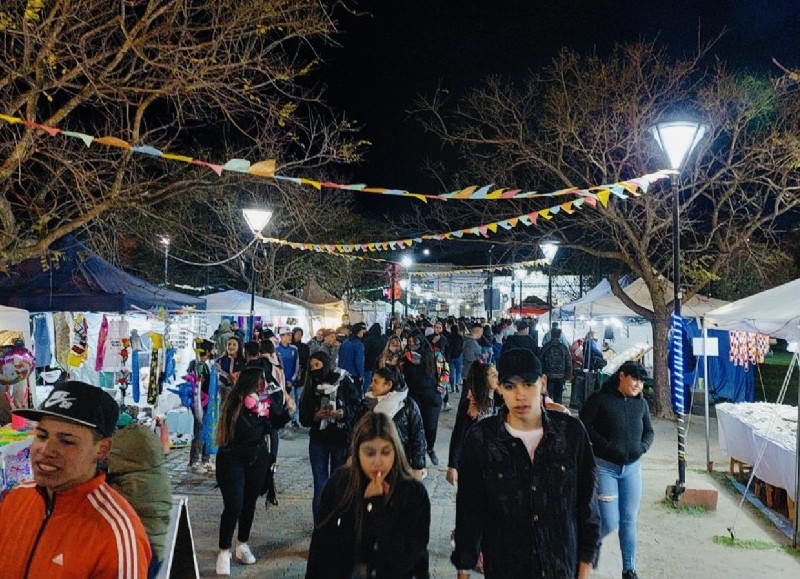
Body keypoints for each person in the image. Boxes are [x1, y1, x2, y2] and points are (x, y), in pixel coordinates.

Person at [452, 348, 601, 578]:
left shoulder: (571, 434)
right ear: (500, 389)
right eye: (510, 386)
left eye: (528, 384)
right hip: (506, 566)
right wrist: (464, 568)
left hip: (560, 566)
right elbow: (470, 510)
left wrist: (584, 570)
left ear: (543, 383)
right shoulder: (482, 439)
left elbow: (588, 508)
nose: (519, 395)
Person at [0, 381, 151, 577]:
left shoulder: (116, 533)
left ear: (102, 449)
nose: (46, 450)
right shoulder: (17, 498)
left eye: (67, 441)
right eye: (42, 435)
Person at [306, 412, 430, 578]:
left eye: (385, 452)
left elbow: (407, 558)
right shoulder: (340, 484)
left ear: (396, 451)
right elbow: (320, 547)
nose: (378, 462)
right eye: (369, 453)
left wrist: (377, 506)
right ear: (357, 452)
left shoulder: (413, 492)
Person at [579, 361, 654, 579]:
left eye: (641, 381)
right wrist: (605, 446)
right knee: (609, 520)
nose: (638, 385)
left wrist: (642, 447)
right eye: (634, 379)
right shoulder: (600, 399)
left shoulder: (641, 404)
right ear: (622, 376)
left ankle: (628, 569)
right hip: (605, 469)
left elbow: (649, 431)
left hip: (632, 469)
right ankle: (585, 554)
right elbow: (584, 425)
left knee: (629, 519)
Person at [214, 367, 273, 575]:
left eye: (263, 381)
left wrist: (282, 404)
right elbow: (240, 431)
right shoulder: (235, 403)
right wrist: (256, 413)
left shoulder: (265, 401)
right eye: (259, 381)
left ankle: (242, 544)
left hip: (258, 458)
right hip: (232, 459)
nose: (262, 385)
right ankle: (223, 550)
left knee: (249, 502)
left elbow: (276, 424)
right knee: (234, 504)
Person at [299, 351, 361, 524]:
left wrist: (343, 413)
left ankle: (335, 523)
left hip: (340, 439)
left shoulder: (343, 380)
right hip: (319, 440)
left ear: (326, 364)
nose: (314, 370)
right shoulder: (310, 386)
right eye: (311, 367)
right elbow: (303, 418)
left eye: (317, 365)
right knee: (320, 484)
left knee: (337, 483)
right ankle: (320, 526)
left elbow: (357, 405)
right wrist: (316, 416)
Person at [107, 422, 172, 579]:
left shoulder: (128, 481)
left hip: (136, 551)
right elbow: (165, 448)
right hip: (154, 550)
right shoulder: (155, 471)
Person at [359, 366, 427, 479]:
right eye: (372, 381)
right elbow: (356, 433)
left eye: (376, 382)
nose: (371, 385)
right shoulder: (366, 405)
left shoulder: (407, 406)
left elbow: (418, 437)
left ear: (389, 385)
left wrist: (418, 467)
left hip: (400, 465)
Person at [446, 362, 499, 486]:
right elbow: (458, 435)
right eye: (493, 375)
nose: (498, 377)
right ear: (484, 379)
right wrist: (452, 466)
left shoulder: (503, 401)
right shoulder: (470, 405)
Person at [399, 331, 442, 467]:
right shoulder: (404, 357)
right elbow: (400, 375)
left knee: (431, 426)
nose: (412, 345)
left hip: (432, 395)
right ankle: (418, 455)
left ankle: (430, 448)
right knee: (416, 427)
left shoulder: (435, 353)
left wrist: (440, 390)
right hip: (413, 396)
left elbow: (445, 371)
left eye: (414, 342)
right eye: (409, 342)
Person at [188, 337, 215, 474]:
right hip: (200, 403)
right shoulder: (198, 365)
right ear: (208, 351)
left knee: (205, 430)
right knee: (199, 431)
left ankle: (205, 458)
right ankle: (195, 461)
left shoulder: (205, 365)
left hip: (205, 403)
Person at [540, 327, 573, 405]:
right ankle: (558, 412)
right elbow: (569, 362)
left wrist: (542, 374)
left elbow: (540, 360)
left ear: (551, 335)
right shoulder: (564, 348)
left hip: (548, 375)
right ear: (560, 335)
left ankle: (549, 413)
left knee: (548, 396)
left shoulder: (546, 347)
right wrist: (568, 375)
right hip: (561, 376)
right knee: (558, 396)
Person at [276, 327, 301, 427]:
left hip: (290, 382)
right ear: (281, 336)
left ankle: (292, 420)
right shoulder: (276, 349)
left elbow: (297, 366)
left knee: (291, 402)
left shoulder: (294, 349)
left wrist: (292, 380)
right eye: (287, 334)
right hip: (279, 383)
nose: (290, 337)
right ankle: (280, 423)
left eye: (290, 334)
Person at [338, 321, 367, 392]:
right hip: (354, 374)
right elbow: (359, 361)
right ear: (359, 332)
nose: (363, 332)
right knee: (355, 395)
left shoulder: (345, 342)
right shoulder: (358, 344)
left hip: (343, 373)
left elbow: (339, 355)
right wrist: (361, 374)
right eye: (362, 331)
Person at [362, 322, 387, 395]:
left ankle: (366, 394)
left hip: (368, 364)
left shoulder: (368, 339)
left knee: (367, 381)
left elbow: (364, 353)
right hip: (379, 364)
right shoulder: (383, 340)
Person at [445, 320, 465, 393]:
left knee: (452, 372)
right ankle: (457, 383)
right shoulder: (460, 337)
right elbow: (462, 346)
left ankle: (452, 387)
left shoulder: (448, 337)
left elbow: (446, 347)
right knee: (459, 371)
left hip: (450, 356)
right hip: (459, 356)